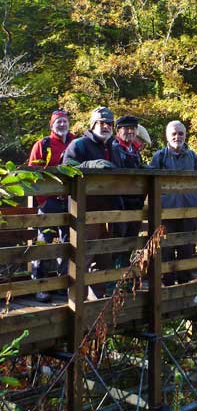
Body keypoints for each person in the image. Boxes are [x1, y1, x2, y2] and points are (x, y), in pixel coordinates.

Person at [63, 106, 119, 299]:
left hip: (109, 212)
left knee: (104, 257)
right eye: (102, 123)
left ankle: (97, 300)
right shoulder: (78, 145)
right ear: (93, 124)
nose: (106, 127)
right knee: (83, 257)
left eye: (109, 124)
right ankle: (75, 298)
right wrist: (89, 165)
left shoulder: (113, 147)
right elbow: (66, 168)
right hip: (85, 212)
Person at [27, 109, 75, 302]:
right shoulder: (42, 145)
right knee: (43, 243)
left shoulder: (76, 142)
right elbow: (32, 173)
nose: (62, 125)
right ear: (51, 125)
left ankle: (63, 285)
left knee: (68, 243)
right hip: (48, 202)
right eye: (58, 122)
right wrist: (43, 200)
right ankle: (40, 287)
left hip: (71, 202)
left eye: (64, 121)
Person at [149, 120, 197, 285]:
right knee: (165, 248)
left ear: (185, 135)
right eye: (174, 133)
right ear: (167, 136)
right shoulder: (159, 157)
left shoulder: (193, 156)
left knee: (187, 246)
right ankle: (167, 280)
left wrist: (194, 199)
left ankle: (185, 278)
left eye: (180, 133)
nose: (177, 137)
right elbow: (151, 183)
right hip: (166, 212)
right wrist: (164, 201)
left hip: (189, 210)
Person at [110, 115, 145, 268]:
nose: (130, 131)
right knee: (117, 241)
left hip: (135, 203)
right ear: (118, 130)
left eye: (133, 128)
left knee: (130, 241)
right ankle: (113, 281)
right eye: (126, 128)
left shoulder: (135, 150)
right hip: (120, 203)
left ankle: (123, 278)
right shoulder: (114, 148)